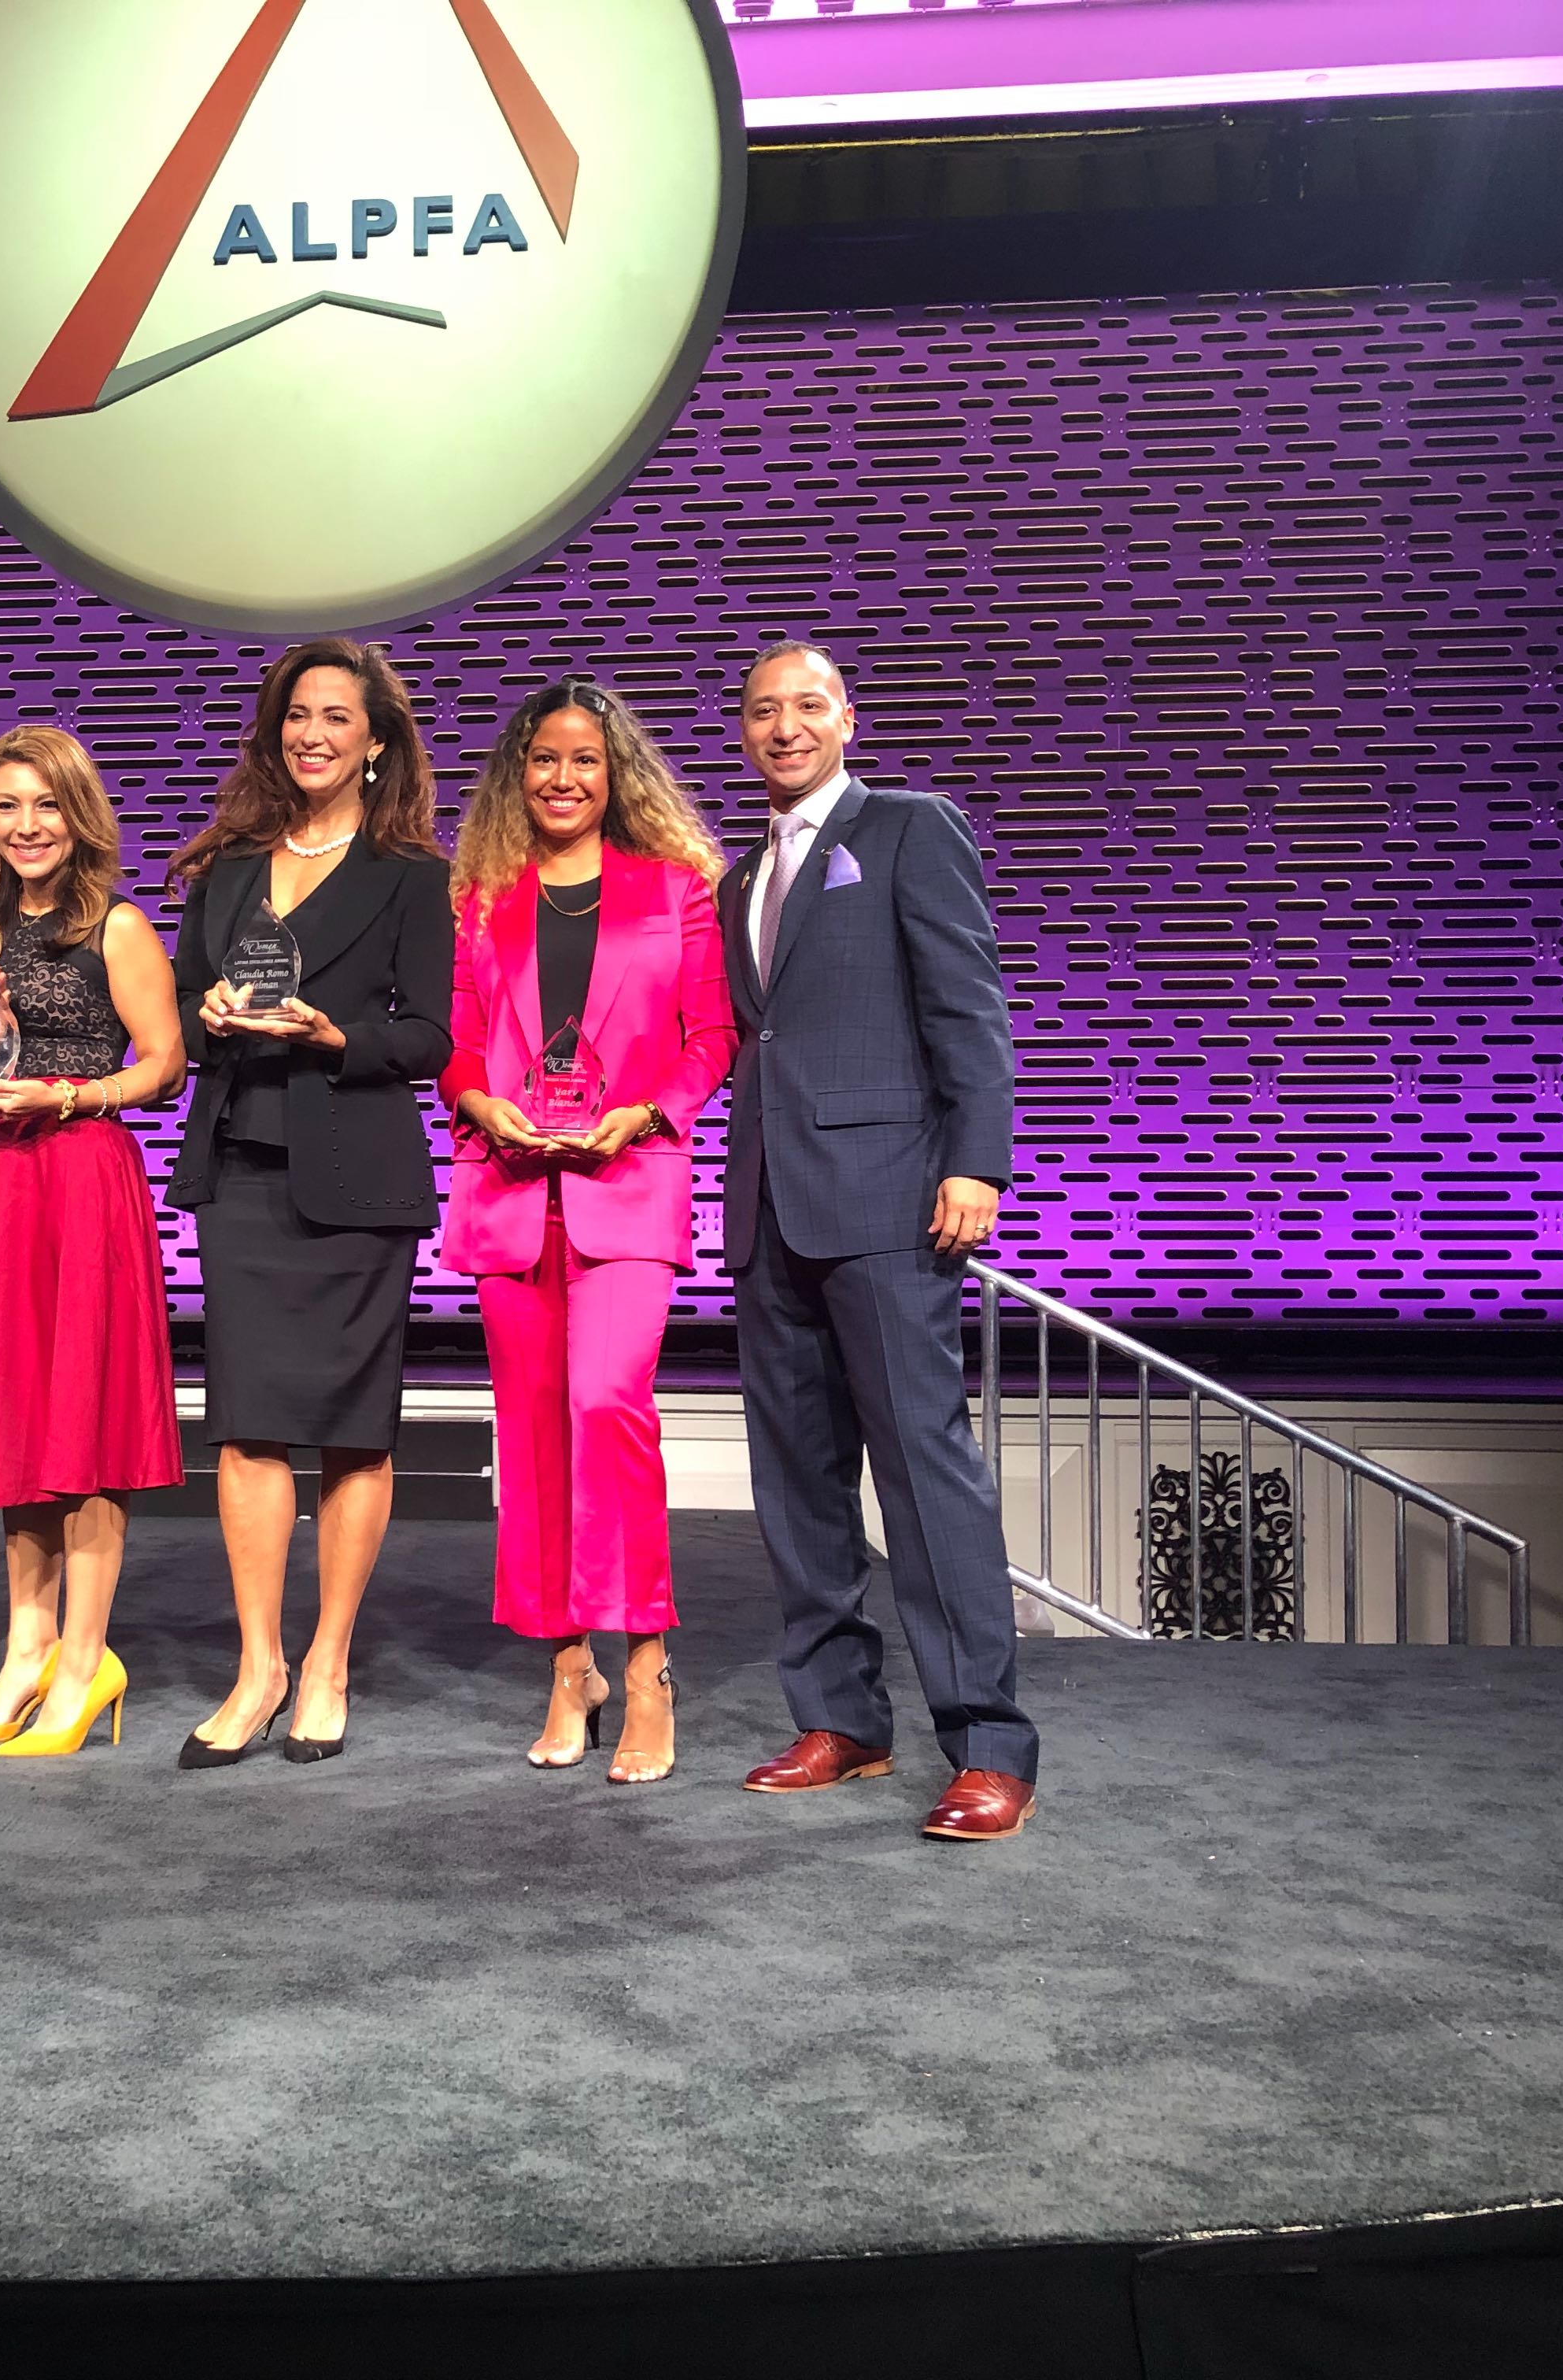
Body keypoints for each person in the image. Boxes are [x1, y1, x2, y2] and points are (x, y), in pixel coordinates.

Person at [716, 639, 1038, 1841]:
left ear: (847, 717)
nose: (784, 727)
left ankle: (989, 1743)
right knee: (798, 1485)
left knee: (924, 1472)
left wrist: (977, 1159)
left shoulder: (911, 829)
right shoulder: (738, 874)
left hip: (893, 1200)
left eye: (807, 705)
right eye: (763, 712)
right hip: (770, 1210)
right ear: (743, 732)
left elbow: (969, 1002)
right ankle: (841, 1719)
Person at [439, 678, 734, 1784]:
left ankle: (648, 1659)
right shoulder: (482, 898)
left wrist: (649, 1109)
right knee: (533, 1431)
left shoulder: (677, 890)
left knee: (607, 1405)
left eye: (586, 763)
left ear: (617, 779)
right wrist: (477, 1102)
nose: (564, 779)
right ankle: (571, 1665)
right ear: (520, 775)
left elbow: (711, 1036)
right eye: (545, 760)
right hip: (512, 1191)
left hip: (630, 1182)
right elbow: (460, 1046)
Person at [164, 638, 453, 1768]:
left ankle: (327, 1656)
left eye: (337, 717)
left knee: (349, 1431)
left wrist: (336, 1034)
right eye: (297, 715)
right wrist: (215, 1015)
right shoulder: (228, 866)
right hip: (242, 1163)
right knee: (244, 1425)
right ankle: (258, 1666)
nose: (314, 734)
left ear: (376, 741)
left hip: (358, 1174)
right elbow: (178, 1015)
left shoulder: (413, 875)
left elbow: (428, 1036)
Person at [0, 726, 187, 1758]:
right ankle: (25, 1650)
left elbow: (162, 1066)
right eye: (6, 807)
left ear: (78, 815)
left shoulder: (115, 925)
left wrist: (70, 1093)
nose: (27, 826)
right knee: (17, 1420)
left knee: (84, 1423)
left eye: (45, 805)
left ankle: (86, 1662)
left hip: (80, 1177)